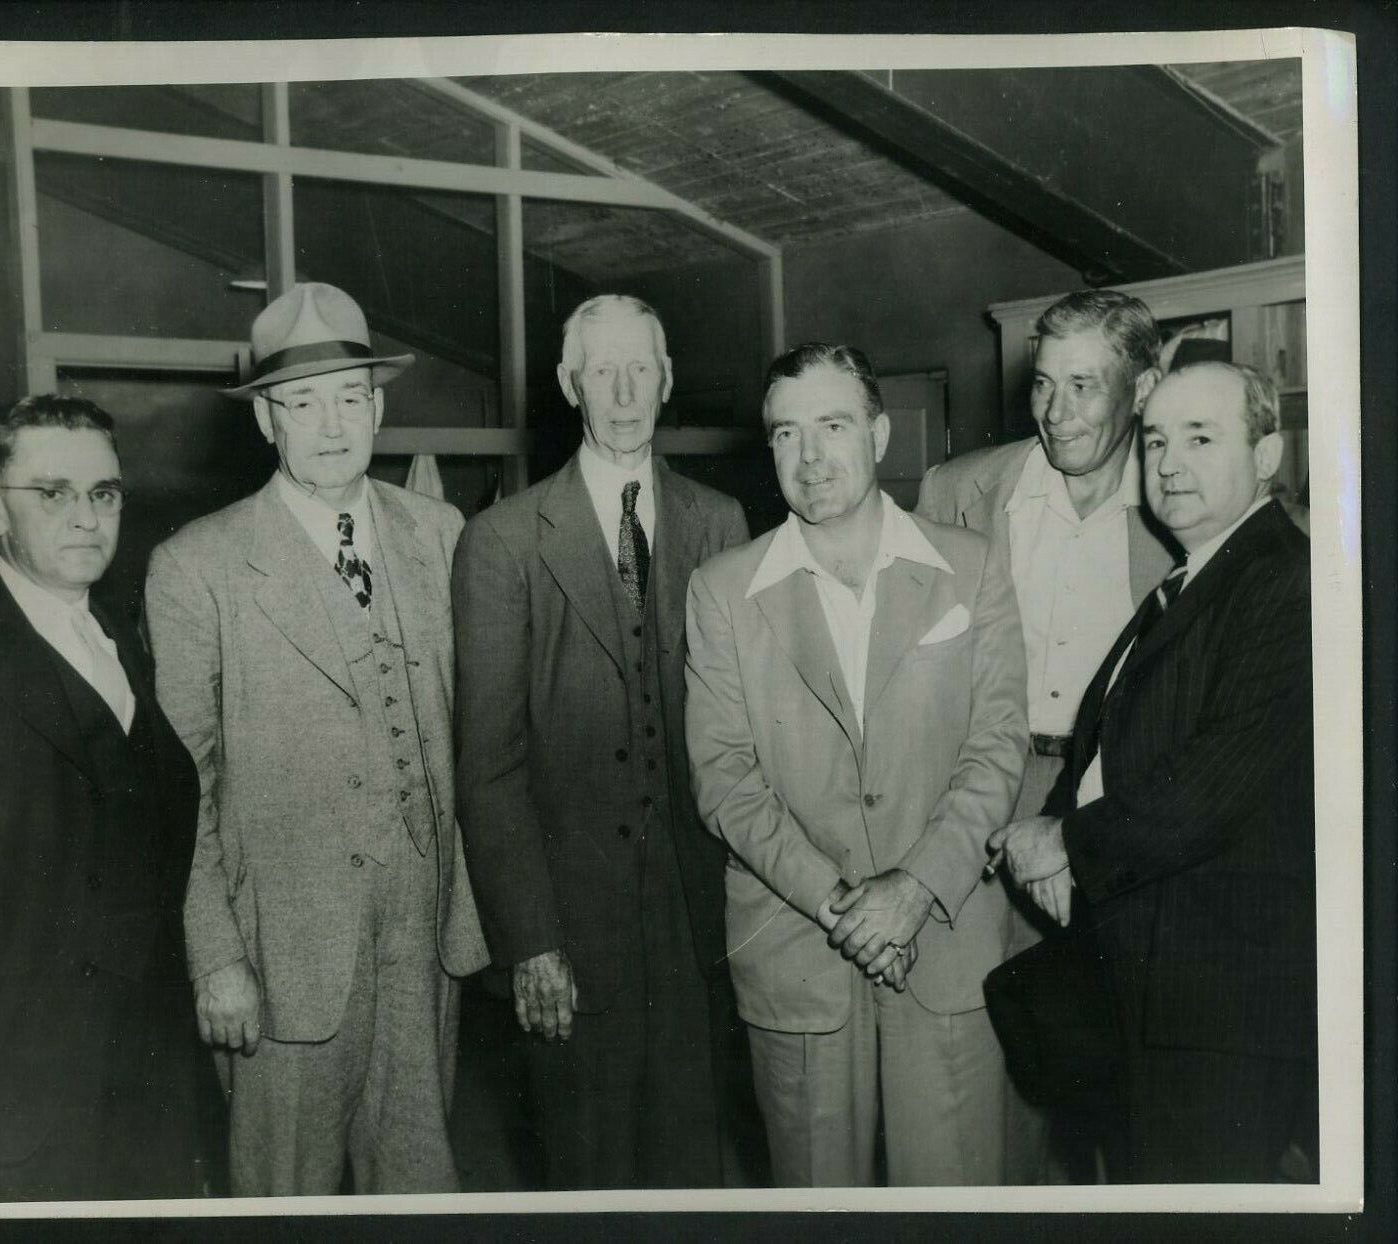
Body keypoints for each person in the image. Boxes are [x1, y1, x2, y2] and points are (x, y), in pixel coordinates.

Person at [143, 282, 488, 1195]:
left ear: (378, 406)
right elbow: (188, 786)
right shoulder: (196, 567)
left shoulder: (442, 534)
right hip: (285, 954)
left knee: (423, 1181)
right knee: (283, 1192)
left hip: (427, 940)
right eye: (302, 403)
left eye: (349, 397)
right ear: (266, 422)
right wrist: (216, 956)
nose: (331, 424)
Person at [684, 343, 1029, 1186]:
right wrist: (847, 908)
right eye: (785, 434)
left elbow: (997, 745)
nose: (809, 458)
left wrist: (913, 890)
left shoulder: (971, 564)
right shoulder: (723, 589)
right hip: (799, 948)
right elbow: (725, 778)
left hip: (945, 938)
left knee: (953, 1197)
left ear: (878, 434)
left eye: (832, 426)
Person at [987, 361, 1316, 1183]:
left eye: (1201, 439)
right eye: (1158, 440)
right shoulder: (1193, 577)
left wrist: (1066, 841)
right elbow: (1117, 742)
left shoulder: (1283, 579)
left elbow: (1215, 784)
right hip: (1152, 978)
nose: (1168, 463)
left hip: (1218, 1001)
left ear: (1268, 454)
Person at [452, 294, 752, 1189]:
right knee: (589, 1177)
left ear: (666, 380)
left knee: (693, 1175)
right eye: (602, 370)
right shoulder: (503, 542)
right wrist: (531, 939)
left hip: (700, 925)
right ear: (568, 384)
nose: (624, 392)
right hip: (571, 930)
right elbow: (489, 767)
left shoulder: (721, 522)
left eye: (640, 369)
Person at [914, 288, 1174, 1181]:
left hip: (1112, 805)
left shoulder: (1178, 511)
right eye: (1043, 386)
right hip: (981, 792)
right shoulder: (956, 494)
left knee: (1108, 1073)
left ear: (1142, 389)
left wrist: (1084, 827)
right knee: (978, 1061)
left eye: (1085, 388)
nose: (1056, 415)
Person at [0, 395, 221, 1201]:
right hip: (18, 1080)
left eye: (104, 494)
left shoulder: (115, 636)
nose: (86, 517)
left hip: (141, 1070)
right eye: (53, 493)